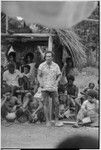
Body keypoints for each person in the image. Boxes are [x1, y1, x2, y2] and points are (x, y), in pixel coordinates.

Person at [37, 51, 62, 127]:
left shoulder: (56, 66)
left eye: (49, 56)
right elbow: (38, 75)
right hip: (44, 88)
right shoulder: (41, 65)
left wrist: (57, 81)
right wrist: (40, 82)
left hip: (53, 87)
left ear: (52, 57)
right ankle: (48, 121)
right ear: (45, 57)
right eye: (47, 56)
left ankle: (56, 121)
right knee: (45, 104)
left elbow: (59, 75)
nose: (48, 58)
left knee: (57, 103)